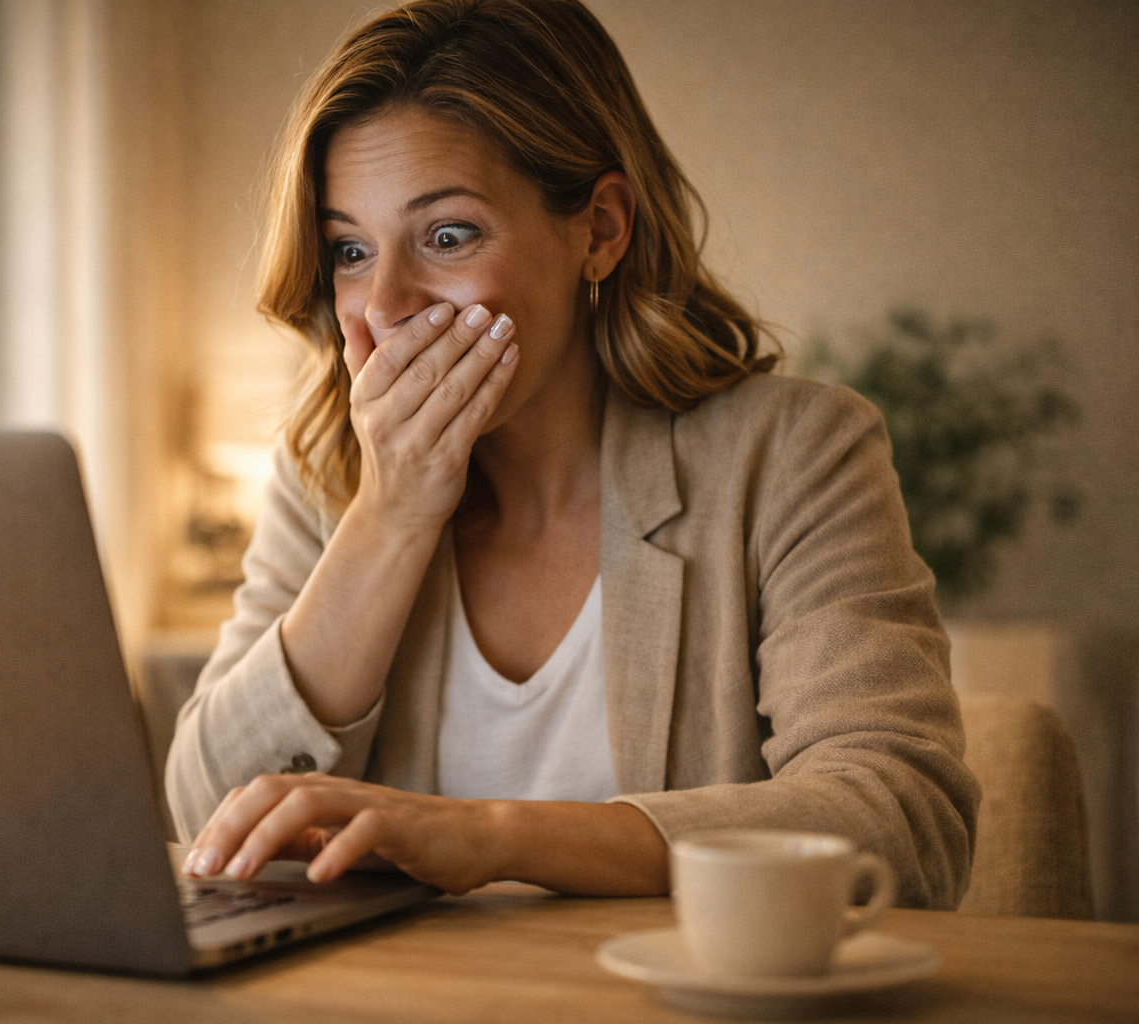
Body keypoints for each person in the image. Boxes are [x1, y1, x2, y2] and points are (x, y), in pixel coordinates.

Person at [165, 0, 978, 908]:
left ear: (600, 230)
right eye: (350, 250)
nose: (385, 304)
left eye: (447, 236)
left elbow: (906, 823)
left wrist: (495, 836)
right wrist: (391, 515)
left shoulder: (791, 453)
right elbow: (210, 821)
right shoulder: (327, 476)